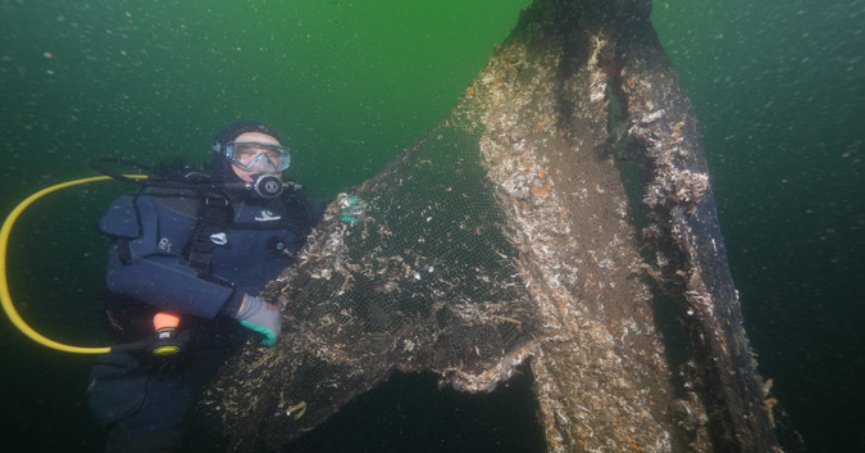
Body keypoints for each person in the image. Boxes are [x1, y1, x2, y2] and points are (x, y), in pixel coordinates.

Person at [86, 122, 321, 452]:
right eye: (247, 155)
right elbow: (131, 268)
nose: (262, 166)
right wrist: (244, 306)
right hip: (168, 359)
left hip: (251, 362)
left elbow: (334, 223)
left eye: (273, 157)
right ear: (222, 158)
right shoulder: (180, 198)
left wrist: (350, 215)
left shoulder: (293, 207)